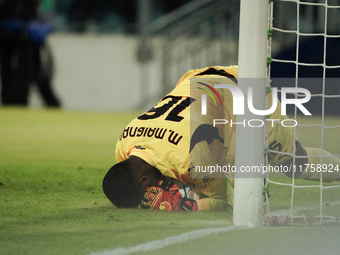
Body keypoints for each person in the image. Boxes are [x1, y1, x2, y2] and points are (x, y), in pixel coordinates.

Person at [102, 66, 340, 211]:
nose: (150, 200)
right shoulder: (124, 147)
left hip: (247, 98)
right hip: (199, 80)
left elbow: (219, 200)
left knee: (263, 191)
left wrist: (187, 206)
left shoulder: (191, 159)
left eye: (145, 197)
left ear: (143, 181)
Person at [0, 0, 61, 107]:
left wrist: (43, 26)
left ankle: (21, 101)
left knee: (30, 69)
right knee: (7, 71)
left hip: (29, 37)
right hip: (7, 35)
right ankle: (10, 101)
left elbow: (48, 13)